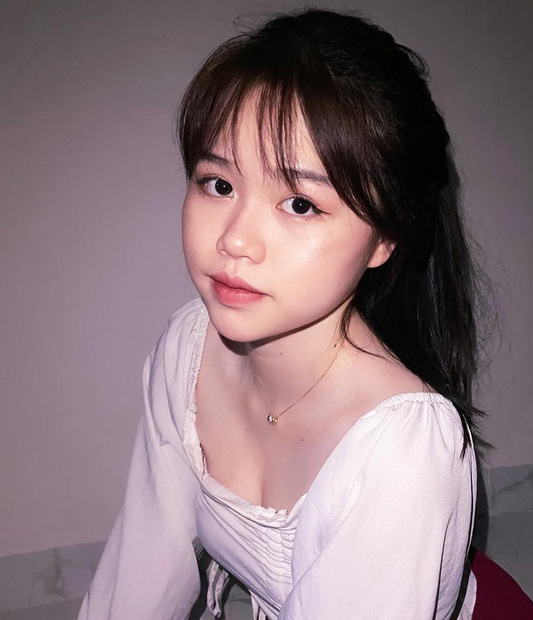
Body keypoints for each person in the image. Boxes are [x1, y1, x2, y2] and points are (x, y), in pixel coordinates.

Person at [79, 7, 486, 619]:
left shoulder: (400, 448)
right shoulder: (188, 346)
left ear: (384, 238)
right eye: (218, 184)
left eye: (299, 203)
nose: (235, 240)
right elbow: (143, 562)